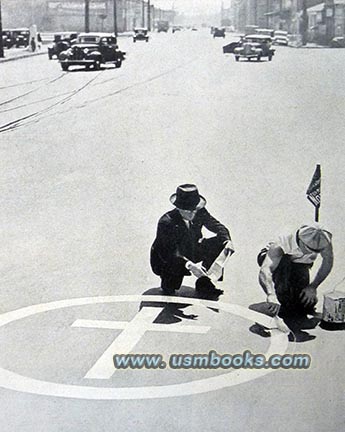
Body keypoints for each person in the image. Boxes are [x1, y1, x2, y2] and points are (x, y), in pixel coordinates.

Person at [150, 184, 234, 295]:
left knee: (220, 242)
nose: (193, 214)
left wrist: (227, 241)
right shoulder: (166, 222)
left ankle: (205, 282)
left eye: (195, 210)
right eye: (189, 211)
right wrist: (189, 265)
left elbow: (217, 226)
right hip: (168, 257)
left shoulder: (199, 211)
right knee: (170, 285)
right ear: (179, 208)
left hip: (191, 248)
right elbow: (169, 252)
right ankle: (168, 283)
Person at [257, 223, 333, 317]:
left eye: (317, 251)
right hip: (277, 259)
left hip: (300, 262)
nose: (313, 253)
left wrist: (313, 286)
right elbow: (265, 270)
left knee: (303, 303)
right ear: (301, 241)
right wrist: (270, 294)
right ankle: (281, 296)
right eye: (310, 249)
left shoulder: (323, 239)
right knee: (285, 303)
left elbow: (328, 262)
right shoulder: (282, 242)